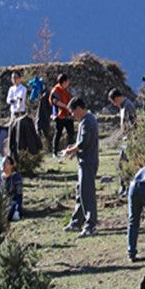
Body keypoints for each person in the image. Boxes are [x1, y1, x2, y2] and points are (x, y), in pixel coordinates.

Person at [61, 96, 98, 237]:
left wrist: (69, 151)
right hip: (85, 161)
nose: (72, 115)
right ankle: (77, 221)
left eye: (73, 111)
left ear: (78, 108)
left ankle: (90, 225)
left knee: (87, 194)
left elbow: (83, 143)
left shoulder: (87, 121)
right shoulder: (86, 120)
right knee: (80, 192)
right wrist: (73, 148)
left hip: (88, 162)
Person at [109, 88, 137, 194]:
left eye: (114, 101)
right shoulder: (123, 107)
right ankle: (124, 187)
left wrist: (131, 139)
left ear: (117, 98)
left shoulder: (128, 106)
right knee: (122, 163)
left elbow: (133, 123)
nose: (114, 104)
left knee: (123, 163)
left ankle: (126, 187)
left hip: (130, 140)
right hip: (126, 139)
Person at [49, 73, 75, 155]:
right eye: (67, 81)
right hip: (59, 115)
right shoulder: (55, 90)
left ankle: (71, 150)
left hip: (68, 115)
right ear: (64, 82)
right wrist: (66, 106)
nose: (68, 82)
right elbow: (55, 101)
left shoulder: (66, 90)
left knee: (71, 133)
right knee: (58, 133)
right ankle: (55, 152)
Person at [0, 155, 24, 221]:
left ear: (11, 165)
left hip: (12, 202)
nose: (4, 165)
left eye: (6, 163)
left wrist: (17, 209)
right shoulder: (0, 177)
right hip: (1, 202)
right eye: (3, 163)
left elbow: (19, 195)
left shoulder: (17, 177)